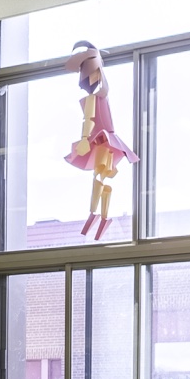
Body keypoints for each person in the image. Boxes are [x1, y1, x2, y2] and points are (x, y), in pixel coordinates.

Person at [63, 40, 136, 239]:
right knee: (100, 177)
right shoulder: (100, 97)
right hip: (105, 141)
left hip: (101, 140)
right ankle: (99, 216)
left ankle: (98, 216)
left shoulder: (96, 98)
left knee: (99, 177)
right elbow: (91, 118)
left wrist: (85, 138)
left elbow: (89, 117)